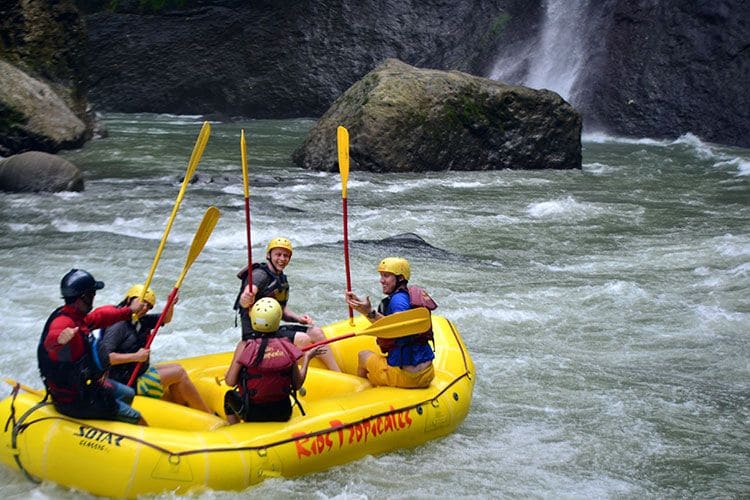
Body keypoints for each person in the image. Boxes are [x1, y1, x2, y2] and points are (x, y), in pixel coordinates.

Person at [37, 269, 148, 425]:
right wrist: (59, 340)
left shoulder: (76, 318)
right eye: (92, 294)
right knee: (136, 417)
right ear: (84, 297)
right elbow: (52, 340)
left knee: (128, 393)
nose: (94, 298)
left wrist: (129, 311)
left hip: (86, 387)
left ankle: (113, 426)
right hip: (74, 400)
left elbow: (101, 317)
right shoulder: (64, 324)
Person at [100, 284, 211, 413]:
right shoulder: (118, 325)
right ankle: (206, 413)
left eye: (148, 306)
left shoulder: (141, 320)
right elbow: (105, 357)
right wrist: (136, 356)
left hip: (138, 372)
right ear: (129, 300)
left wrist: (171, 304)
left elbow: (165, 319)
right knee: (178, 373)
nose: (145, 308)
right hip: (126, 382)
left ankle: (185, 410)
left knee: (178, 368)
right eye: (142, 302)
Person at [235, 237, 340, 371]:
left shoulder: (281, 278)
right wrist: (246, 298)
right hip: (256, 335)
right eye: (278, 254)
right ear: (268, 255)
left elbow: (282, 310)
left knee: (317, 332)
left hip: (271, 331)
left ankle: (337, 372)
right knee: (303, 339)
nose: (282, 259)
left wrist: (299, 319)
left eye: (286, 255)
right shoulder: (259, 274)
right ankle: (301, 377)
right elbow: (249, 291)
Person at [224, 297, 324, 423]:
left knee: (229, 397)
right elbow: (297, 384)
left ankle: (237, 431)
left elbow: (230, 381)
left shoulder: (244, 346)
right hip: (283, 412)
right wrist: (307, 358)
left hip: (253, 414)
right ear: (277, 320)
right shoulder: (287, 346)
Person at [345, 257, 435, 389]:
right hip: (427, 373)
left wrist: (369, 311)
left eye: (386, 276)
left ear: (400, 278)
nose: (381, 280)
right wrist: (365, 310)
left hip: (407, 377)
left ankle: (361, 391)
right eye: (381, 276)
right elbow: (393, 325)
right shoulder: (408, 296)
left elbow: (398, 326)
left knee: (363, 356)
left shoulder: (398, 301)